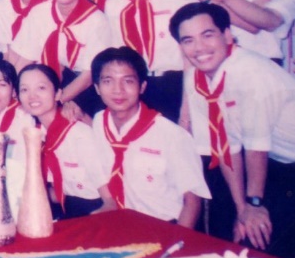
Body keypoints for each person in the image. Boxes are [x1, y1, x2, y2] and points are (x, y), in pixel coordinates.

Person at [171, 2, 295, 258]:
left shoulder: (250, 72)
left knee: (266, 245)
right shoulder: (195, 79)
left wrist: (253, 205)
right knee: (246, 236)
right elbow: (225, 149)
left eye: (207, 35)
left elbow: (256, 150)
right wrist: (242, 208)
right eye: (188, 40)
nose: (199, 48)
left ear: (227, 35)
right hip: (282, 163)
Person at [88, 46, 208, 228]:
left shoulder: (172, 135)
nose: (118, 90)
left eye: (128, 81)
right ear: (97, 88)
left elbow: (192, 201)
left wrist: (177, 241)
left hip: (163, 227)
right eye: (108, 81)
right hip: (118, 224)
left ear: (142, 86)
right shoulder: (98, 122)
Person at [8, 0, 113, 120]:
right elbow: (25, 59)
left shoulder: (96, 20)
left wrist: (58, 100)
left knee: (68, 118)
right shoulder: (39, 12)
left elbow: (88, 76)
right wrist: (11, 94)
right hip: (48, 81)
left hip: (84, 85)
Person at [105, 0, 188, 122]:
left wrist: (187, 109)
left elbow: (190, 58)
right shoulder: (114, 2)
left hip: (173, 86)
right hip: (130, 89)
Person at [16, 63, 105, 220]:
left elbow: (109, 199)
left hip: (93, 211)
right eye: (24, 90)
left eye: (41, 88)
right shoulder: (36, 134)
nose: (32, 96)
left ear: (58, 94)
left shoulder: (78, 134)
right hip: (63, 209)